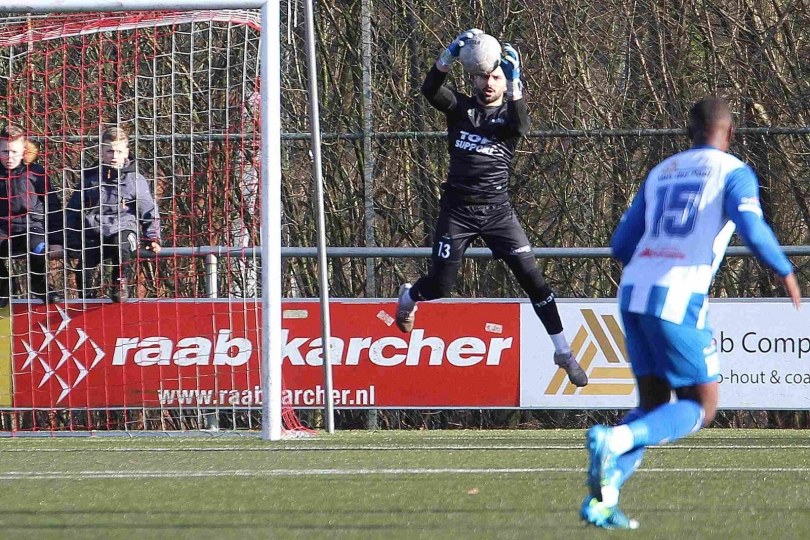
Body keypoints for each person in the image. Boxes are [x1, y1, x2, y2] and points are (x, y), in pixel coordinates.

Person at [581, 97, 802, 529]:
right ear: (731, 134)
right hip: (677, 296)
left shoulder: (662, 171)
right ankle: (616, 438)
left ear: (688, 132)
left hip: (633, 292)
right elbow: (752, 227)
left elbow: (621, 244)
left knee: (653, 402)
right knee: (702, 405)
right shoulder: (733, 171)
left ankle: (604, 501)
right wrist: (783, 269)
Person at [394, 29, 587, 387]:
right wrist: (448, 55)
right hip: (458, 211)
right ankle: (410, 296)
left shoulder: (508, 117)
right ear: (474, 74)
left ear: (505, 80)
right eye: (483, 75)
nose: (488, 83)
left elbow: (522, 125)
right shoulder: (461, 109)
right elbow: (430, 91)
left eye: (496, 77)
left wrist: (516, 84)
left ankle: (563, 352)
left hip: (498, 212)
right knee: (440, 285)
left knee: (534, 281)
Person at [66, 127, 161, 302]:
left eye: (118, 151)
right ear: (101, 152)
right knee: (84, 262)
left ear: (126, 152)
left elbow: (148, 209)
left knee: (121, 245)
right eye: (110, 151)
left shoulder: (135, 179)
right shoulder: (90, 179)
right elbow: (73, 210)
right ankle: (86, 297)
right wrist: (72, 240)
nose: (114, 156)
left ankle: (120, 283)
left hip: (124, 229)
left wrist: (152, 237)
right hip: (95, 231)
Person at [0, 125, 62, 306]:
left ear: (23, 151)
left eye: (13, 152)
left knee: (40, 248)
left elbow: (53, 206)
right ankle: (4, 285)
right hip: (3, 229)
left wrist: (56, 239)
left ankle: (39, 284)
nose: (9, 157)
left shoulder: (36, 172)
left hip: (31, 226)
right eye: (4, 151)